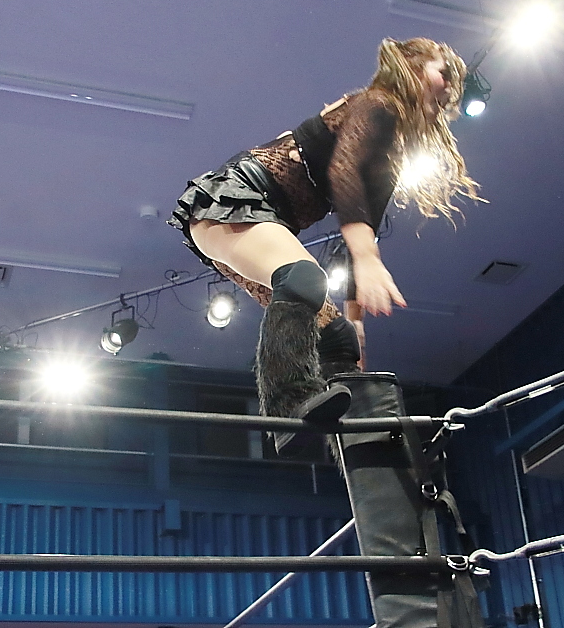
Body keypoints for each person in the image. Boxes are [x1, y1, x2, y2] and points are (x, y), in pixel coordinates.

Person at [169, 37, 482, 455]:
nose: (448, 87)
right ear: (412, 66)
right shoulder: (378, 103)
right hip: (232, 201)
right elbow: (342, 170)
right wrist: (367, 258)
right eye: (443, 72)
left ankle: (359, 449)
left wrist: (356, 321)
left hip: (261, 220)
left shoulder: (390, 154)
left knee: (337, 339)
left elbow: (365, 228)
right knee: (304, 278)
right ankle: (287, 406)